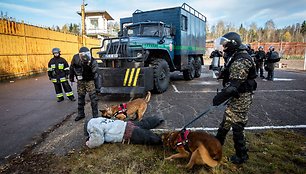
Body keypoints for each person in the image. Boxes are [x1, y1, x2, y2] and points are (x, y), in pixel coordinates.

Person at [213, 32, 257, 164]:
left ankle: (242, 155)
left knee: (237, 126)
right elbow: (229, 73)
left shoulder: (241, 60)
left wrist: (218, 98)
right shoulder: (234, 56)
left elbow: (234, 86)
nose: (223, 46)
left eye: (225, 44)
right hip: (235, 96)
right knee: (225, 123)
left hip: (241, 97)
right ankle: (215, 147)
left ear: (233, 44)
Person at [85, 116, 164, 148]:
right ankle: (157, 119)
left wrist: (89, 143)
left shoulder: (92, 126)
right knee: (144, 123)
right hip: (125, 124)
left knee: (146, 136)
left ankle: (164, 140)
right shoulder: (97, 119)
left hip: (125, 133)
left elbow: (97, 141)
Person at [70, 47, 99, 121]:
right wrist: (71, 77)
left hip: (90, 81)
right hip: (81, 81)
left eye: (85, 54)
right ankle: (81, 114)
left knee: (93, 98)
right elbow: (72, 67)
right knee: (80, 97)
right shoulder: (76, 58)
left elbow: (96, 73)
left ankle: (95, 115)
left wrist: (97, 86)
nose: (84, 56)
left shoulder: (92, 61)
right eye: (82, 55)